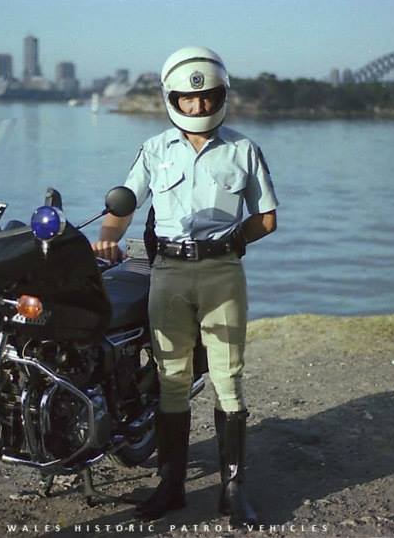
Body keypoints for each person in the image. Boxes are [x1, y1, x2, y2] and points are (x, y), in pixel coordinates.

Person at [93, 46, 278, 526]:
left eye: (207, 96)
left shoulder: (244, 150)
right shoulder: (154, 150)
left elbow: (266, 218)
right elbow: (124, 203)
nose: (198, 105)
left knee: (227, 378)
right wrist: (107, 237)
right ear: (172, 99)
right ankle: (170, 486)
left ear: (221, 95)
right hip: (169, 272)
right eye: (187, 98)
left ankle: (233, 490)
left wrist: (233, 239)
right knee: (171, 379)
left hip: (222, 272)